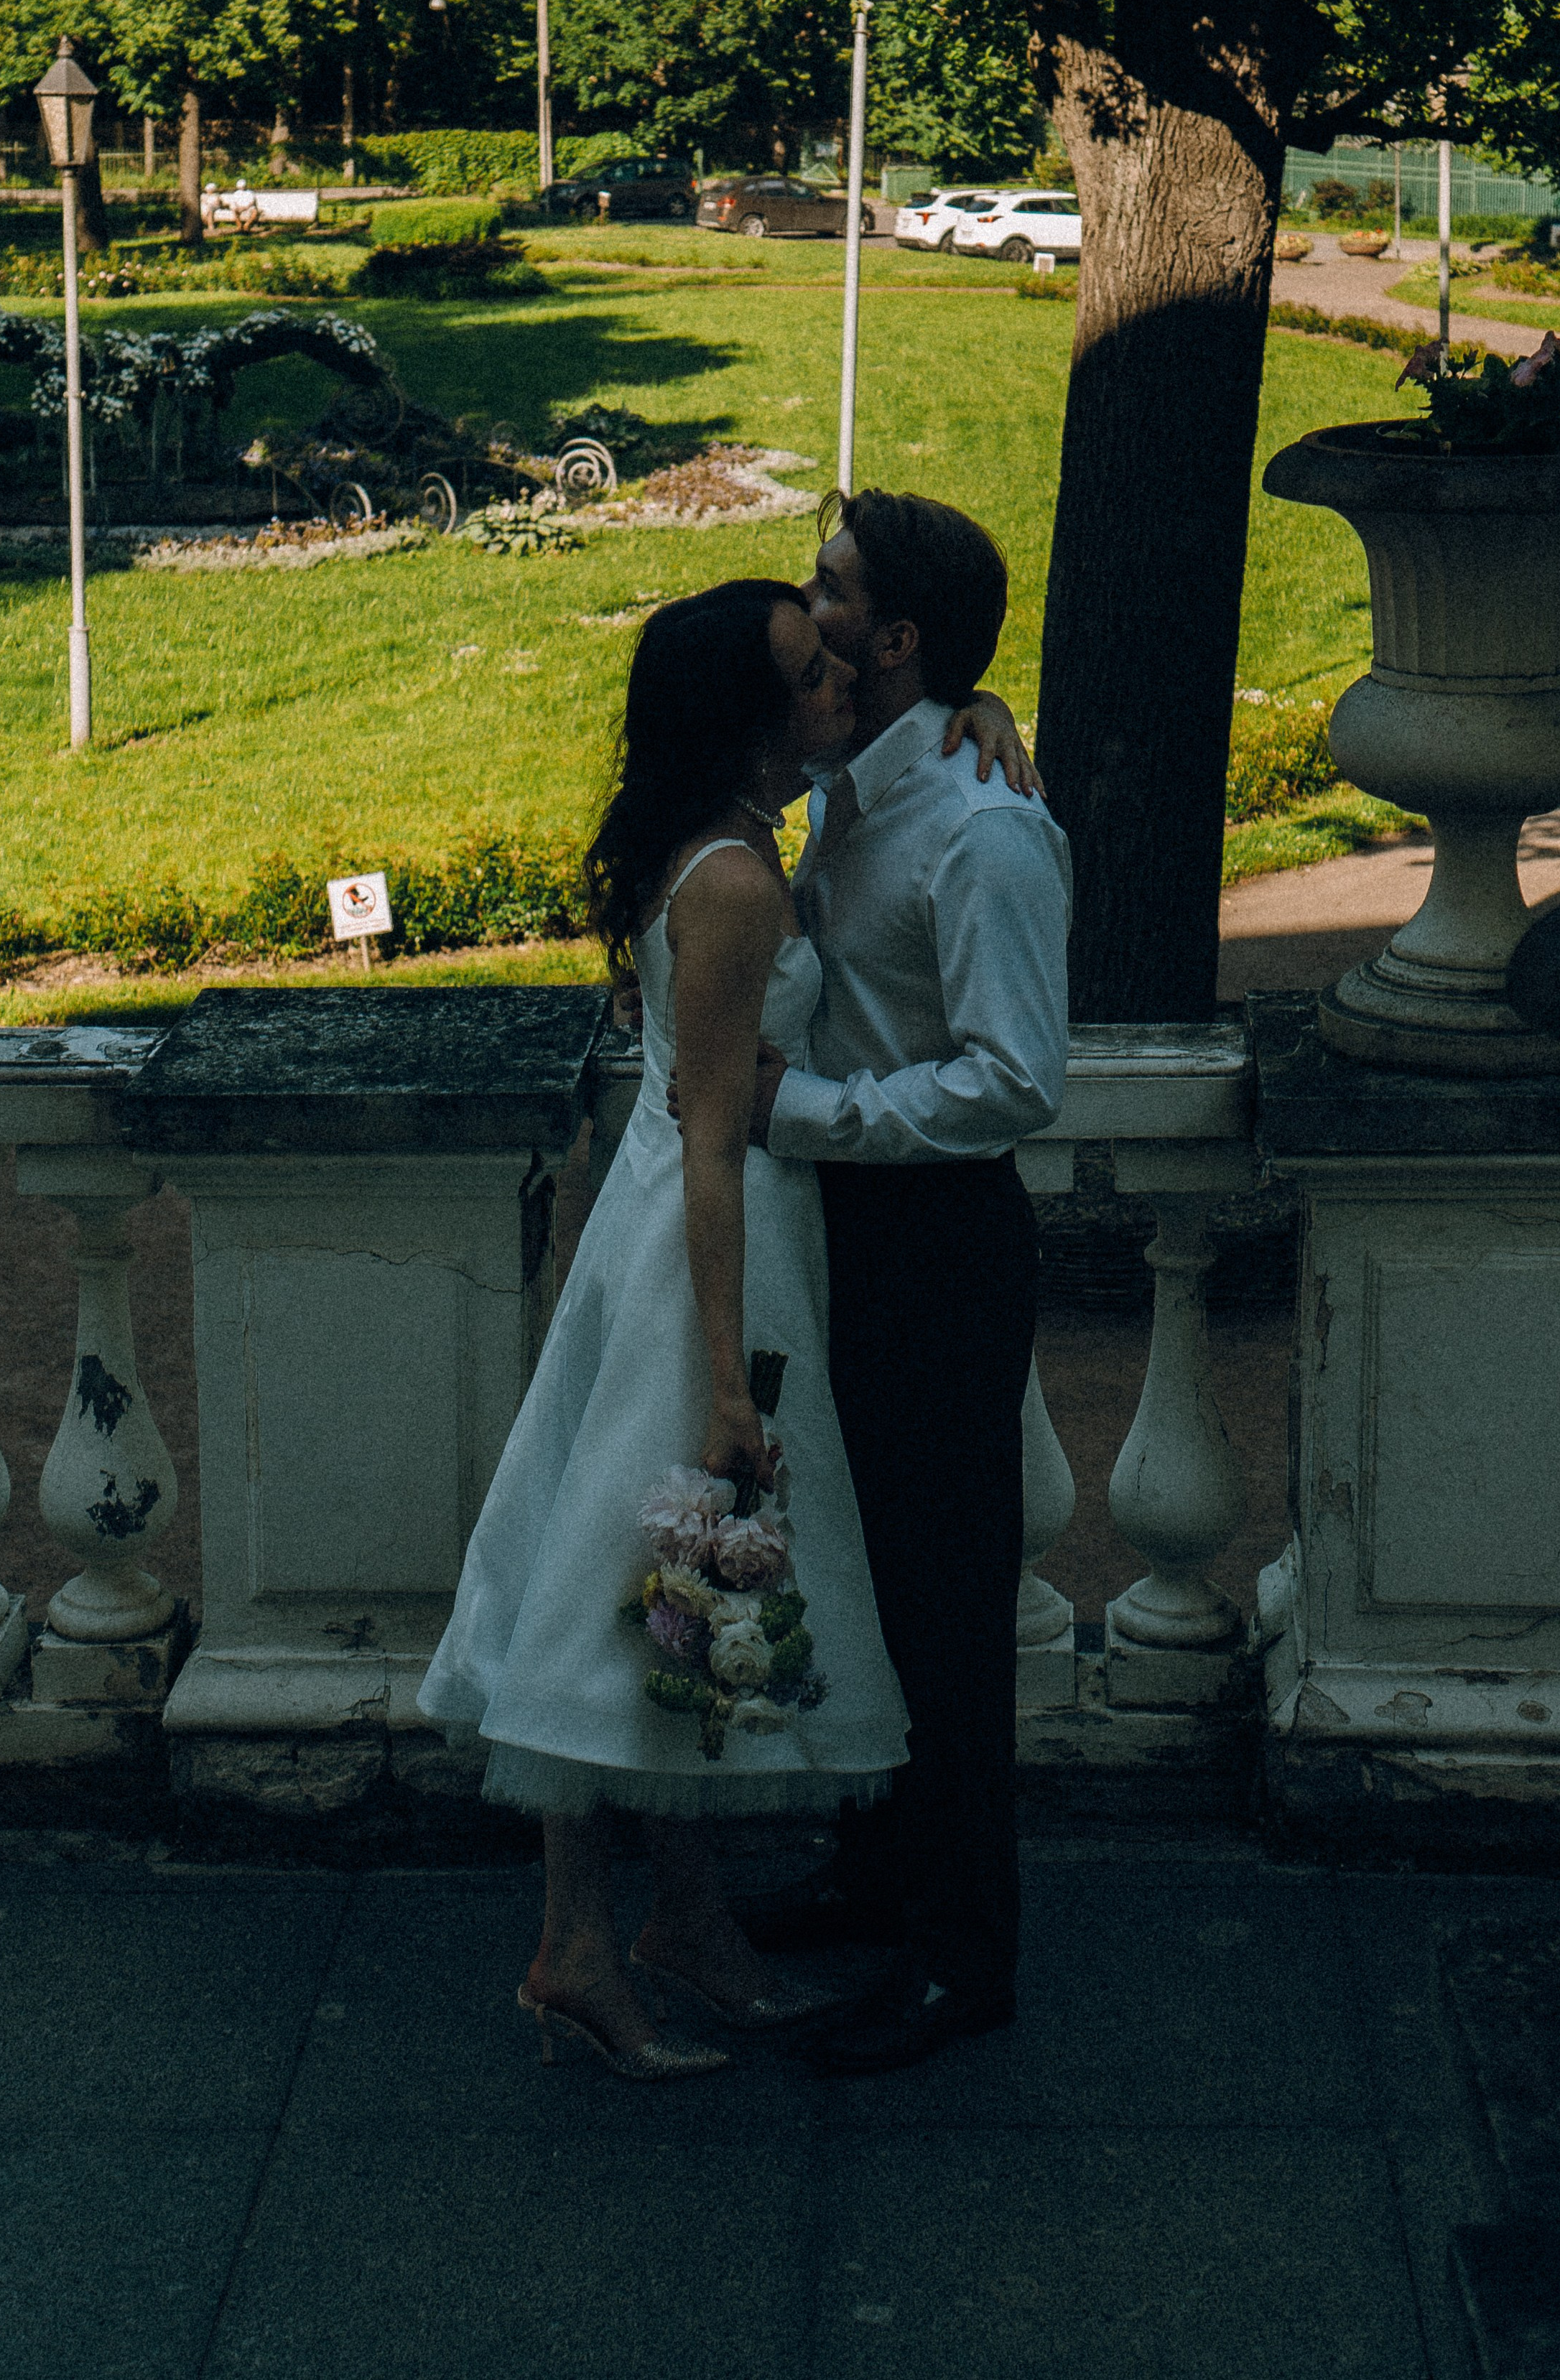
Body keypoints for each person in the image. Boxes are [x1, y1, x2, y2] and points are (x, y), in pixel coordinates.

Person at [417, 579, 914, 2081]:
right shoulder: (735, 888)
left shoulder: (739, 845)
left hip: (677, 1244)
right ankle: (578, 1943)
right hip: (711, 1259)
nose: (837, 680)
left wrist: (974, 711)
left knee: (660, 1591)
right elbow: (710, 1138)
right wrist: (720, 1378)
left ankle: (680, 1925)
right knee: (627, 1589)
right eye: (806, 674)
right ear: (745, 722)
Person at [737, 488, 1072, 2077]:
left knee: (942, 1608)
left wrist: (800, 1116)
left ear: (899, 636)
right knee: (857, 1578)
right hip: (844, 1234)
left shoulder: (982, 827)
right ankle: (875, 1872)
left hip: (933, 1244)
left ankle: (963, 1956)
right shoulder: (856, 789)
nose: (810, 603)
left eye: (833, 584)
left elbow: (1015, 1080)